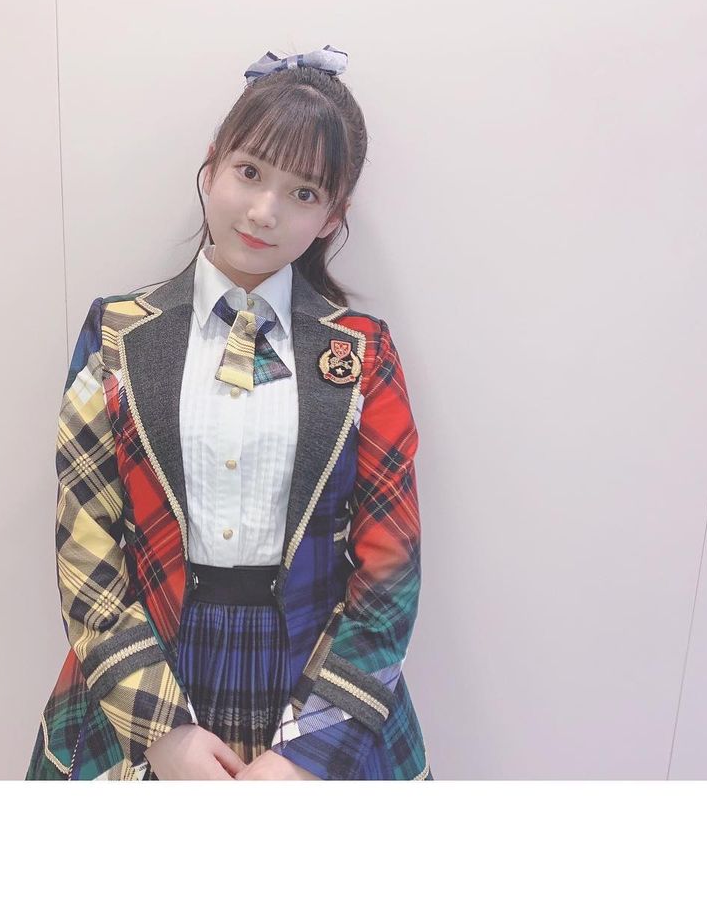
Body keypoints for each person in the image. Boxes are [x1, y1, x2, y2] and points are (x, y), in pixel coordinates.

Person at [26, 45, 432, 780]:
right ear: (211, 166)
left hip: (318, 687)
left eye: (304, 192)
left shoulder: (364, 353)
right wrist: (164, 735)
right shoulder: (116, 335)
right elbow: (85, 551)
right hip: (144, 680)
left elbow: (389, 573)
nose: (264, 211)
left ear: (332, 216)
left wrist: (306, 756)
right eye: (250, 172)